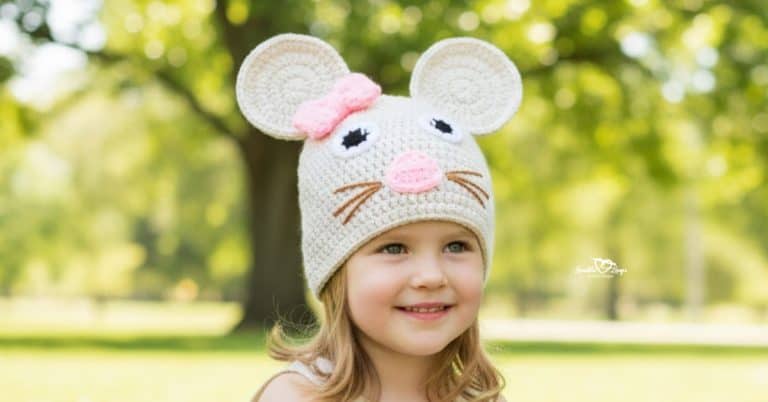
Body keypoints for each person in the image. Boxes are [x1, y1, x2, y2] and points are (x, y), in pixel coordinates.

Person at [234, 32, 523, 402]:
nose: (431, 276)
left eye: (456, 245)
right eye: (393, 248)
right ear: (334, 269)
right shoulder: (299, 397)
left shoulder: (478, 397)